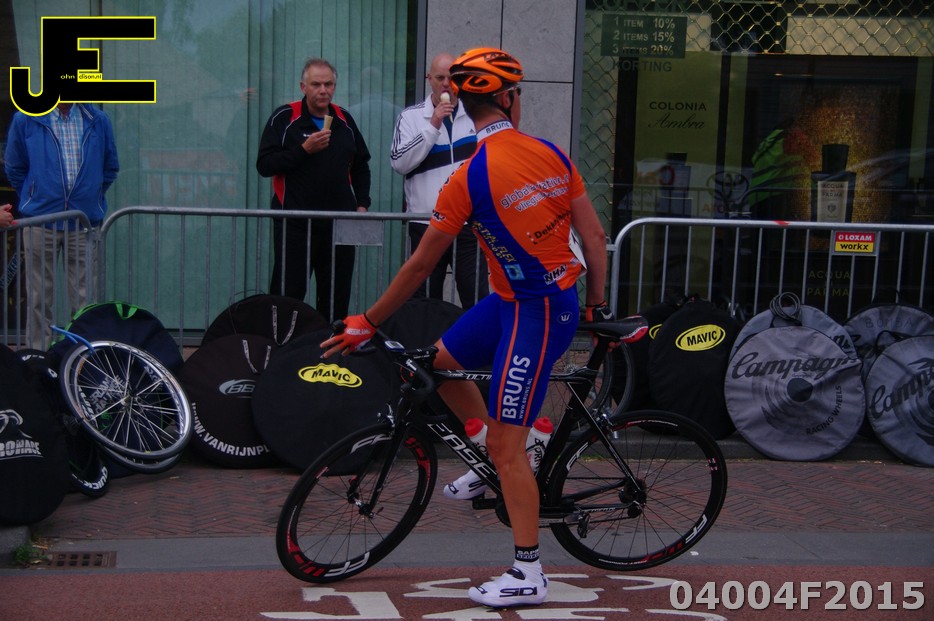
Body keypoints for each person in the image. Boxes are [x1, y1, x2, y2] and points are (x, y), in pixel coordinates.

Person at [321, 47, 611, 608]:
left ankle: (528, 571)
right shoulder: (552, 152)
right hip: (518, 302)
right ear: (509, 99)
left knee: (510, 449)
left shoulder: (467, 176)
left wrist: (367, 321)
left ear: (466, 105)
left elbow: (420, 266)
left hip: (537, 312)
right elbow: (595, 238)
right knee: (436, 365)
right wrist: (595, 304)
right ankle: (490, 451)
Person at [256, 58, 372, 322]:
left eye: (328, 84)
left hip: (340, 224)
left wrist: (362, 204)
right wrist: (303, 151)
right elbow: (264, 165)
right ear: (303, 87)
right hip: (296, 222)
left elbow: (361, 165)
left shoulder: (343, 119)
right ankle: (282, 343)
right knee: (288, 295)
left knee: (335, 297)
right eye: (316, 84)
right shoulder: (285, 117)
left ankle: (329, 344)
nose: (323, 90)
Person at [4, 103, 119, 350]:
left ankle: (82, 356)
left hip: (83, 222)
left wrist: (90, 197)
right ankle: (38, 357)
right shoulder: (26, 119)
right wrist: (35, 196)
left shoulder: (98, 119)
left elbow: (110, 167)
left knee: (85, 299)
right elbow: (14, 167)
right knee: (38, 297)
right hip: (40, 221)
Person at [390, 52, 489, 308]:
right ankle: (426, 335)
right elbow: (400, 163)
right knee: (424, 298)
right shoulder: (411, 117)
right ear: (429, 79)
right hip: (427, 224)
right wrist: (433, 124)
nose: (446, 84)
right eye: (440, 78)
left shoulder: (476, 115)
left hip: (468, 224)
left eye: (451, 78)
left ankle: (474, 336)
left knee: (475, 297)